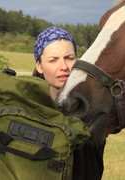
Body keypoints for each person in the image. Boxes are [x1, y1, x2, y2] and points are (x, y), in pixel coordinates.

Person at [33, 26, 105, 180]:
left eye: (69, 58)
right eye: (53, 60)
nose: (64, 67)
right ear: (39, 66)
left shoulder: (89, 108)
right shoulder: (29, 108)